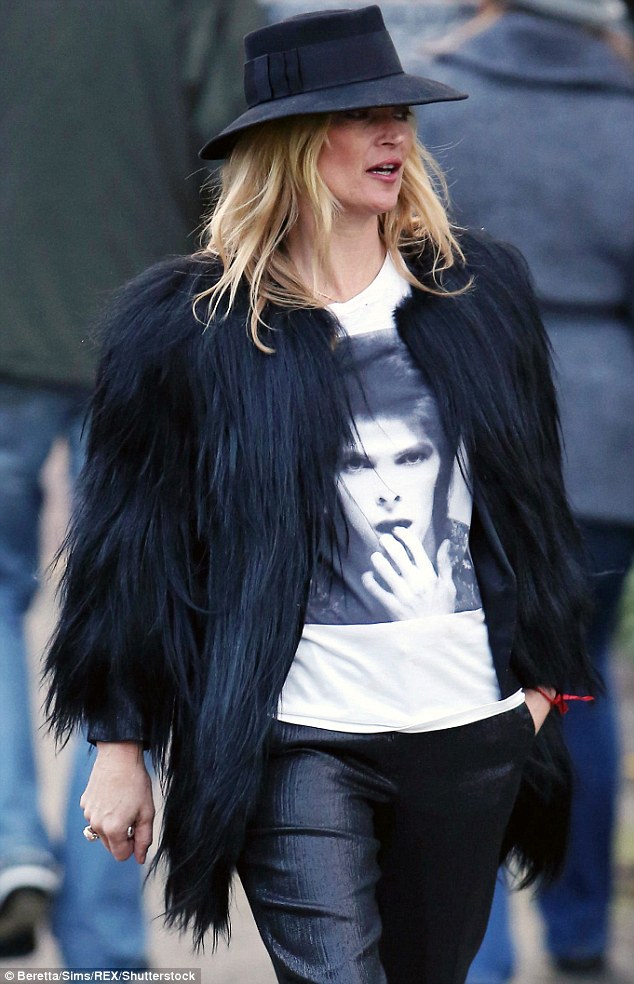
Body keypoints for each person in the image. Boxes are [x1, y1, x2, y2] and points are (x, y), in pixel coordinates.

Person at [43, 7, 596, 983]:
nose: (393, 135)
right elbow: (130, 556)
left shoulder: (479, 296)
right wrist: (119, 746)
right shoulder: (187, 329)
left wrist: (541, 698)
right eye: (361, 114)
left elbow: (534, 513)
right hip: (295, 741)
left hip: (465, 731)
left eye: (401, 114)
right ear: (291, 143)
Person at [0, 0, 263, 964]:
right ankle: (106, 943)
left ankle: (8, 844)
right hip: (150, 329)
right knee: (132, 599)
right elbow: (235, 149)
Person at [416, 0, 634, 978]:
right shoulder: (623, 109)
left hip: (465, 421)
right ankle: (580, 933)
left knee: (464, 690)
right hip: (605, 441)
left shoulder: (438, 103)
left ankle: (478, 951)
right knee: (576, 682)